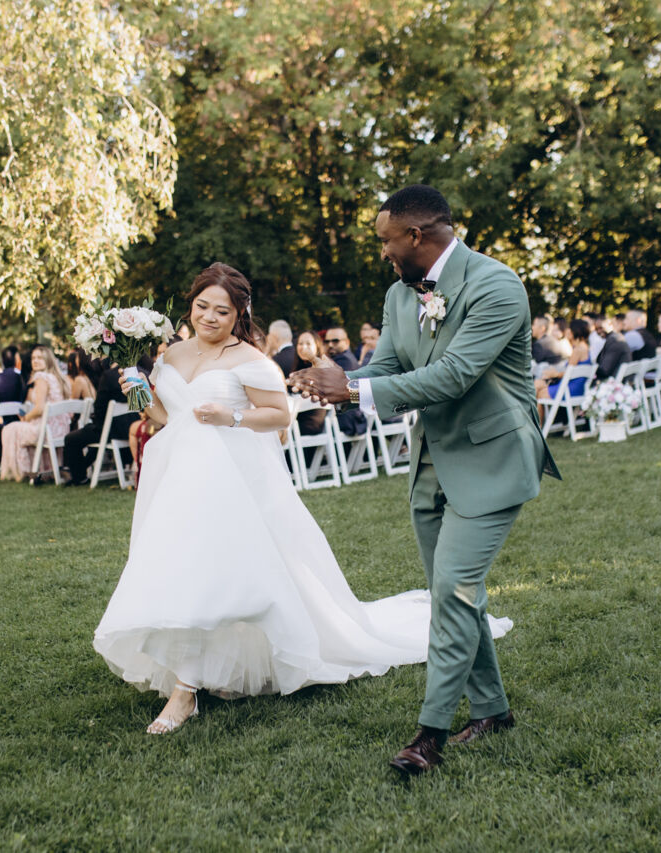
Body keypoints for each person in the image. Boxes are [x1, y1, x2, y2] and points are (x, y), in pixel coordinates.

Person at [94, 262, 470, 737]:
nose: (210, 317)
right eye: (202, 306)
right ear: (190, 305)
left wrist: (231, 417)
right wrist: (140, 393)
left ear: (239, 314)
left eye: (222, 311)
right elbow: (169, 417)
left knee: (212, 570)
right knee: (180, 567)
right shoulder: (170, 355)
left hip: (229, 478)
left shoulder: (251, 359)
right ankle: (204, 669)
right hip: (175, 474)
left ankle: (186, 690)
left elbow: (279, 417)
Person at [290, 185, 559, 776]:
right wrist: (336, 380)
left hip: (493, 458)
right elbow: (388, 366)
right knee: (452, 593)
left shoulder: (496, 285)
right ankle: (492, 711)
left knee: (455, 589)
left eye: (386, 240)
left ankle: (429, 736)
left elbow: (455, 374)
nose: (383, 252)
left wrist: (353, 389)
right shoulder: (398, 294)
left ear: (416, 235)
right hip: (432, 462)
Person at [0, 346, 71, 481]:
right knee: (17, 428)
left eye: (40, 358)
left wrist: (26, 418)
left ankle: (21, 472)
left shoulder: (41, 378)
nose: (35, 361)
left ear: (48, 360)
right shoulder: (57, 377)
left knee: (9, 429)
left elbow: (40, 409)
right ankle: (38, 470)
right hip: (60, 430)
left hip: (46, 430)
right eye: (33, 358)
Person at [59, 360, 134, 486]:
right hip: (130, 428)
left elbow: (99, 408)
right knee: (92, 436)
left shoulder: (109, 376)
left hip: (111, 431)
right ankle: (82, 468)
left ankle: (79, 477)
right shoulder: (139, 372)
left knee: (71, 439)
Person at [535, 318, 592, 412]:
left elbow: (568, 373)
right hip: (576, 388)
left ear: (574, 331)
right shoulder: (585, 347)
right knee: (537, 384)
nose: (567, 330)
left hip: (570, 389)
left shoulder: (578, 350)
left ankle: (537, 421)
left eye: (570, 328)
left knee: (539, 393)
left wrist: (554, 374)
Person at [292, 331, 332, 436]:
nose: (303, 347)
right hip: (298, 420)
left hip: (311, 422)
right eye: (300, 343)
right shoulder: (299, 369)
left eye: (308, 343)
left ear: (317, 347)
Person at [595, 315, 633, 381]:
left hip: (614, 382)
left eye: (601, 328)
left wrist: (590, 370)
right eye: (596, 329)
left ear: (610, 324)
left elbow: (605, 370)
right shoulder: (616, 337)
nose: (598, 331)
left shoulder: (614, 340)